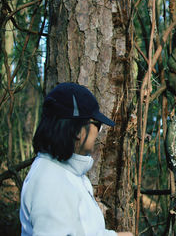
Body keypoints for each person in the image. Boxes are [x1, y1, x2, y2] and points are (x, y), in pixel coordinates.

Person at [19, 82, 133, 236]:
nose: (99, 132)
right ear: (78, 130)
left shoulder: (65, 173)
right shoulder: (51, 182)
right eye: (97, 124)